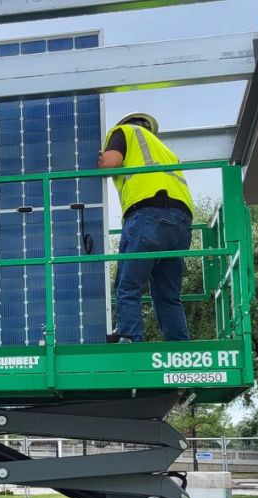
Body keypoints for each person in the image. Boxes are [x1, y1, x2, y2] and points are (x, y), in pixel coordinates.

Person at [98, 112, 195, 343]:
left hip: (149, 215)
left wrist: (100, 160)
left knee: (127, 286)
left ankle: (130, 339)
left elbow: (109, 163)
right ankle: (180, 346)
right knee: (168, 295)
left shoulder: (124, 132)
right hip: (181, 224)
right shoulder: (167, 152)